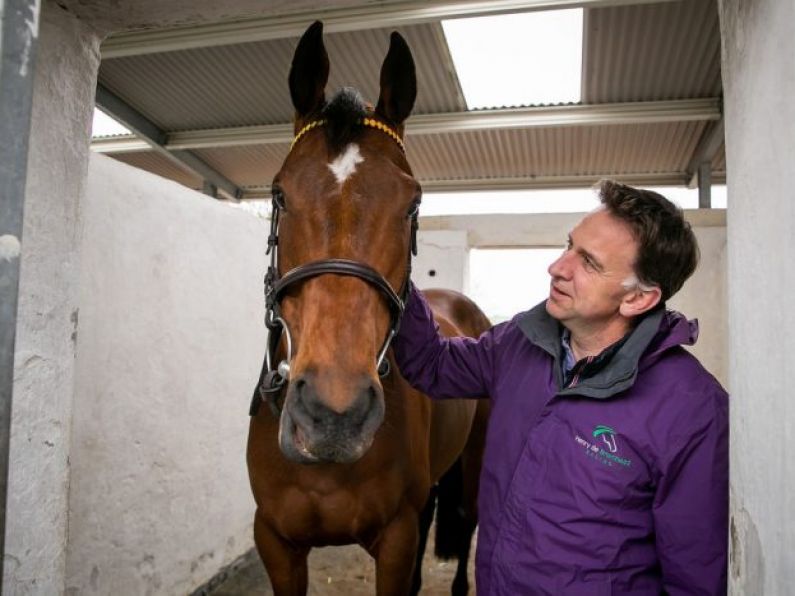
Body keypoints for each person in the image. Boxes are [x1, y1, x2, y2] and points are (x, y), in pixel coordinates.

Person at [393, 180, 728, 595]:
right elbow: (432, 365)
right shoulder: (520, 343)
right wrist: (392, 271)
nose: (557, 267)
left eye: (587, 262)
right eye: (569, 245)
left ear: (638, 300)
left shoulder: (691, 410)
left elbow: (694, 577)